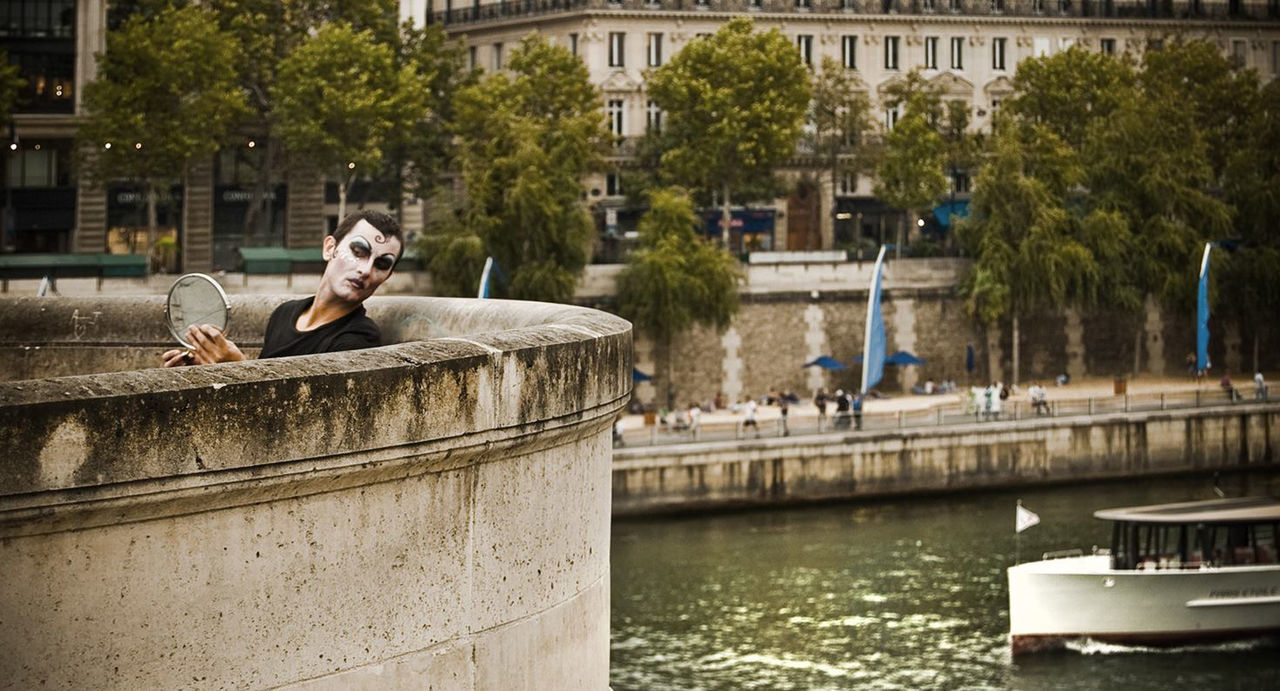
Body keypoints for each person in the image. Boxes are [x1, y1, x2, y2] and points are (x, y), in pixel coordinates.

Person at [163, 210, 404, 366]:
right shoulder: (284, 313)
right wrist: (202, 368)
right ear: (329, 248)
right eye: (358, 252)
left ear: (387, 276)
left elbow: (308, 423)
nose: (366, 270)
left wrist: (236, 367)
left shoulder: (357, 340)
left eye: (382, 264)